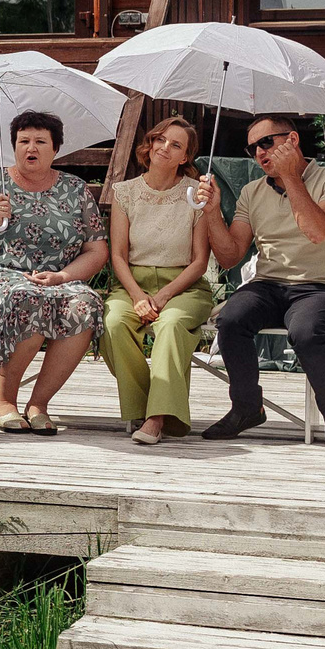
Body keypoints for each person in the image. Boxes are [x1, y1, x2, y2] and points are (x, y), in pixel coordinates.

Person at [0, 109, 108, 434]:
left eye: (40, 142)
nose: (31, 148)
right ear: (14, 146)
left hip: (58, 280)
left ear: (56, 148)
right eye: (24, 141)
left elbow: (96, 250)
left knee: (85, 303)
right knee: (29, 297)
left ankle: (39, 404)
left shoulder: (75, 189)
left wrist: (62, 277)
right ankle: (2, 401)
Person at [196, 112, 325, 444]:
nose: (259, 153)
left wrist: (291, 177)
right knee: (231, 319)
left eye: (266, 143)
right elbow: (230, 256)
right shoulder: (252, 191)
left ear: (293, 140)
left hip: (321, 286)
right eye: (252, 148)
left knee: (307, 332)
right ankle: (247, 408)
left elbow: (318, 231)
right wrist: (212, 213)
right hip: (268, 284)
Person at [100, 114, 216, 444]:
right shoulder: (124, 192)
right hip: (131, 283)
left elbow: (199, 262)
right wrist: (137, 296)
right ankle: (150, 403)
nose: (165, 147)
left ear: (186, 157)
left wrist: (163, 297)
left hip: (184, 286)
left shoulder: (198, 194)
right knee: (113, 322)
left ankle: (155, 417)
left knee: (170, 324)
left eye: (176, 144)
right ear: (149, 144)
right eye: (160, 139)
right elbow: (118, 256)